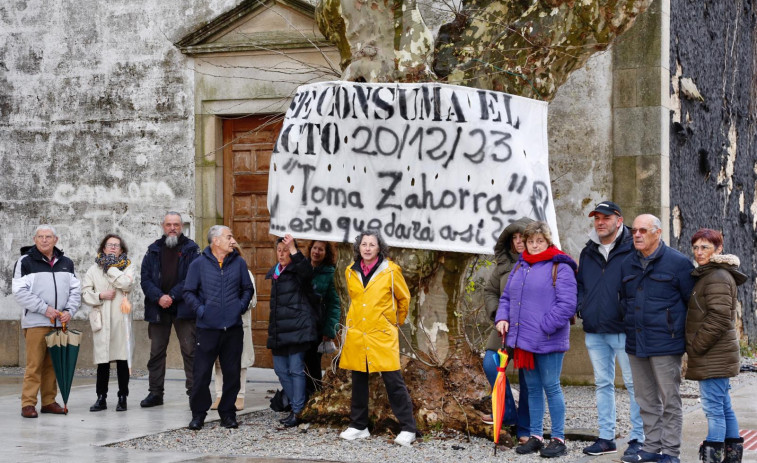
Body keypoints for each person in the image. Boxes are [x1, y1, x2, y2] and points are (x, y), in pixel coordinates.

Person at [495, 221, 577, 458]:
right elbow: (507, 298)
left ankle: (559, 438)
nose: (534, 245)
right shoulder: (521, 266)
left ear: (548, 241)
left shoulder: (560, 265)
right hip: (523, 340)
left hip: (548, 338)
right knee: (531, 389)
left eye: (539, 241)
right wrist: (502, 318)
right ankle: (536, 435)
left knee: (551, 387)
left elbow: (567, 304)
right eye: (530, 241)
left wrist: (545, 327)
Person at [619, 214, 694, 463]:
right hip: (635, 342)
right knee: (645, 399)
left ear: (658, 232)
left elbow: (690, 304)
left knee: (669, 400)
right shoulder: (628, 263)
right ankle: (651, 446)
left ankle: (671, 452)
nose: (637, 235)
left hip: (665, 343)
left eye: (643, 230)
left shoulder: (679, 263)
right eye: (634, 231)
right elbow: (623, 300)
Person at [338, 230, 418, 447]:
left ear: (379, 248)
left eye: (372, 244)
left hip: (381, 333)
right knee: (359, 379)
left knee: (393, 380)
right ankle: (359, 426)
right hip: (358, 333)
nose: (367, 248)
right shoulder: (350, 271)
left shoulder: (391, 271)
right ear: (358, 248)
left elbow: (404, 298)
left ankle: (408, 428)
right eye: (364, 244)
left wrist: (393, 320)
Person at [577, 202, 644, 456]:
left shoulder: (633, 247)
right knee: (602, 384)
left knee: (633, 384)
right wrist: (581, 306)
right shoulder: (588, 251)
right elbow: (581, 283)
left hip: (624, 329)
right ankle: (606, 437)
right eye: (596, 218)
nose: (600, 222)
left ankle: (638, 438)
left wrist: (629, 312)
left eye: (606, 218)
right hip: (595, 329)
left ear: (619, 220)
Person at [184, 225, 254, 430]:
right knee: (201, 374)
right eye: (228, 237)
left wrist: (238, 308)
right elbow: (188, 292)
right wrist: (202, 311)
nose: (233, 240)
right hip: (207, 329)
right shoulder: (198, 264)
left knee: (232, 374)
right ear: (216, 241)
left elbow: (247, 289)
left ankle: (228, 414)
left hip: (233, 329)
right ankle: (198, 414)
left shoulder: (239, 263)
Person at [685, 229, 746, 463]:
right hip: (717, 353)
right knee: (723, 405)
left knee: (713, 409)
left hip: (713, 354)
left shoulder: (717, 276)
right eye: (696, 247)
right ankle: (731, 458)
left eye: (705, 247)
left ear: (719, 249)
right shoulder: (711, 274)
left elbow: (719, 318)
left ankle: (714, 457)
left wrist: (696, 346)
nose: (699, 252)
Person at [12, 224, 81, 418]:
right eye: (40, 237)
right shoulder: (25, 262)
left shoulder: (66, 262)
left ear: (55, 240)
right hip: (36, 322)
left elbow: (76, 290)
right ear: (35, 240)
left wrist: (69, 310)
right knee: (34, 364)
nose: (44, 240)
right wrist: (45, 309)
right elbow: (19, 292)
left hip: (59, 323)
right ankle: (28, 403)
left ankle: (49, 402)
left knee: (53, 365)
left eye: (48, 237)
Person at [481, 217, 533, 445]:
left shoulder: (540, 263)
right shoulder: (503, 264)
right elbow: (490, 291)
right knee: (491, 363)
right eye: (514, 237)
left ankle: (526, 427)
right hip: (503, 327)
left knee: (527, 376)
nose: (519, 241)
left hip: (530, 329)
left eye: (523, 236)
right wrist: (496, 314)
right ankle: (509, 412)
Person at [140, 212, 200, 407]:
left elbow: (192, 278)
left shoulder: (191, 249)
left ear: (182, 226)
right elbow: (145, 279)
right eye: (168, 224)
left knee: (190, 351)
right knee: (156, 352)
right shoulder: (153, 250)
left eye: (176, 224)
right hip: (158, 308)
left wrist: (172, 296)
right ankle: (155, 393)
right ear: (162, 226)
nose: (172, 228)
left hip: (183, 308)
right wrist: (159, 297)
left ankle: (194, 392)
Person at [265, 234, 319, 428]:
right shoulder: (275, 273)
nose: (281, 254)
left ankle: (297, 411)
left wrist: (294, 250)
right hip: (280, 331)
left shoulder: (298, 270)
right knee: (281, 370)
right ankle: (301, 405)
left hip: (297, 329)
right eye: (279, 250)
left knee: (296, 370)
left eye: (286, 250)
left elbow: (307, 272)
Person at [81, 233, 136, 412]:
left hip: (120, 319)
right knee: (102, 361)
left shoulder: (128, 267)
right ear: (103, 248)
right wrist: (100, 295)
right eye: (109, 244)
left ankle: (122, 397)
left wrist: (111, 267)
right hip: (102, 319)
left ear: (122, 250)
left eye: (116, 245)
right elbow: (85, 293)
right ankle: (101, 397)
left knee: (122, 359)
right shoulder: (93, 270)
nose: (113, 247)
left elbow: (127, 285)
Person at [211, 268, 257, 412]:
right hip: (218, 323)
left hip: (239, 321)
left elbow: (252, 298)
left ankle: (239, 395)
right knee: (218, 361)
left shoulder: (245, 272)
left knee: (240, 361)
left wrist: (237, 306)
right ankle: (219, 394)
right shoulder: (214, 271)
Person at [304, 240, 341, 398]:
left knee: (312, 363)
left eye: (321, 249)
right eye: (314, 248)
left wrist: (329, 330)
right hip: (299, 324)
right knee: (299, 363)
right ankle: (300, 397)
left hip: (317, 325)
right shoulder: (302, 268)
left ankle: (314, 395)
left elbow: (334, 304)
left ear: (327, 254)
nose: (316, 252)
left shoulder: (330, 273)